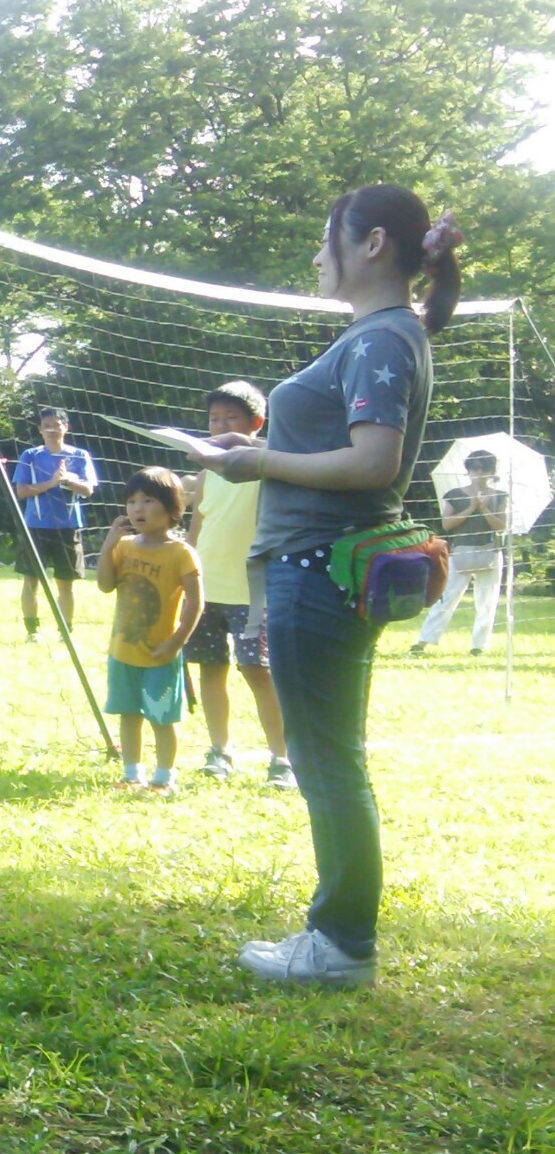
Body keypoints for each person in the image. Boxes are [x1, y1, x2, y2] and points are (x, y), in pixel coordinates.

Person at [204, 187, 455, 988]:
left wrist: (258, 459)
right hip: (320, 564)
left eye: (327, 241)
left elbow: (373, 461)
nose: (316, 257)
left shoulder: (384, 337)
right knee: (328, 756)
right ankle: (340, 937)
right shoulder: (389, 332)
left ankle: (340, 945)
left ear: (372, 244)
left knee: (327, 761)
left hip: (320, 568)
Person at [183, 381, 291, 785]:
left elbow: (294, 455)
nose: (220, 426)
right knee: (211, 669)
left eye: (231, 418)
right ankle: (220, 751)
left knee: (257, 670)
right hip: (207, 590)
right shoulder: (207, 474)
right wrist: (185, 576)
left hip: (253, 592)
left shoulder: (271, 466)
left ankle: (282, 758)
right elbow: (197, 527)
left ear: (257, 424)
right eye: (214, 419)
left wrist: (245, 446)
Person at [97, 467, 203, 794]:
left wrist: (175, 642)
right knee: (128, 713)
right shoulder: (125, 546)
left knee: (161, 718)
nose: (137, 509)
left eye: (148, 500)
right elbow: (105, 585)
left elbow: (196, 603)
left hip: (160, 655)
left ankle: (164, 776)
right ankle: (131, 773)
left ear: (172, 508)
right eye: (131, 501)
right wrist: (108, 546)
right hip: (123, 652)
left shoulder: (181, 552)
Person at [9, 407, 96, 639]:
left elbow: (88, 490)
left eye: (56, 424)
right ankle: (32, 631)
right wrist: (51, 483)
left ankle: (65, 631)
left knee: (65, 583)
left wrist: (68, 481)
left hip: (68, 528)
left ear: (65, 427)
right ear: (40, 429)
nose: (52, 429)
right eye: (46, 425)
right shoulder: (30, 455)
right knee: (31, 580)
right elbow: (21, 491)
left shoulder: (79, 455)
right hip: (36, 527)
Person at [411, 449, 508, 655]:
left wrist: (484, 508)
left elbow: (500, 526)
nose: (479, 473)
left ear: (492, 471)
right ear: (468, 470)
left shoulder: (500, 496)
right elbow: (447, 525)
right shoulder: (454, 495)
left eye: (484, 468)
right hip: (459, 553)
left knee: (487, 602)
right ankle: (424, 641)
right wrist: (471, 507)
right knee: (446, 598)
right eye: (475, 468)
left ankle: (478, 646)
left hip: (489, 553)